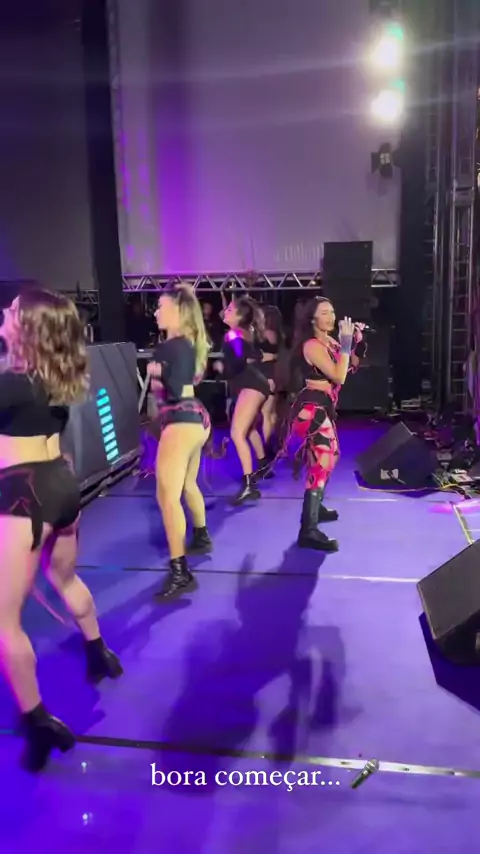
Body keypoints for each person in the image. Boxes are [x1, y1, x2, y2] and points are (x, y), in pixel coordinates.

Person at [0, 288, 122, 772]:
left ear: (29, 328)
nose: (4, 312)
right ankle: (99, 652)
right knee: (64, 576)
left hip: (23, 496)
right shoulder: (53, 376)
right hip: (61, 487)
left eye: (13, 310)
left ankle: (37, 723)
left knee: (4, 622)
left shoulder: (12, 383)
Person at [283, 297, 365, 551]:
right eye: (325, 313)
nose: (331, 317)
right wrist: (346, 343)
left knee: (329, 456)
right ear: (312, 319)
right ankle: (308, 530)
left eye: (332, 312)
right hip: (311, 410)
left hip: (323, 408)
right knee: (323, 460)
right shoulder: (312, 346)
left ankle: (315, 508)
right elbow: (338, 375)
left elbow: (350, 366)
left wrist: (356, 342)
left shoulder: (330, 342)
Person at [147, 284, 212, 600]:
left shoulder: (168, 348)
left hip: (180, 422)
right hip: (197, 420)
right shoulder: (192, 344)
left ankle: (180, 571)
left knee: (167, 497)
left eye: (161, 306)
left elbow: (166, 392)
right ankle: (201, 535)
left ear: (178, 310)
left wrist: (155, 374)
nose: (156, 312)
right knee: (188, 483)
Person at [215, 297, 271, 504]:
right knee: (249, 429)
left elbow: (238, 360)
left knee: (237, 433)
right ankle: (263, 465)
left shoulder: (233, 334)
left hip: (251, 384)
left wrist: (222, 368)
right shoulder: (244, 332)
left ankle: (249, 486)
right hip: (255, 383)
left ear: (239, 316)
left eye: (230, 309)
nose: (225, 311)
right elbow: (251, 355)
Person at [258, 305, 285, 453]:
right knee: (273, 413)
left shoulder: (265, 334)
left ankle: (268, 446)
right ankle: (277, 444)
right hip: (276, 375)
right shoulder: (280, 335)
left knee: (266, 413)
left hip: (267, 376)